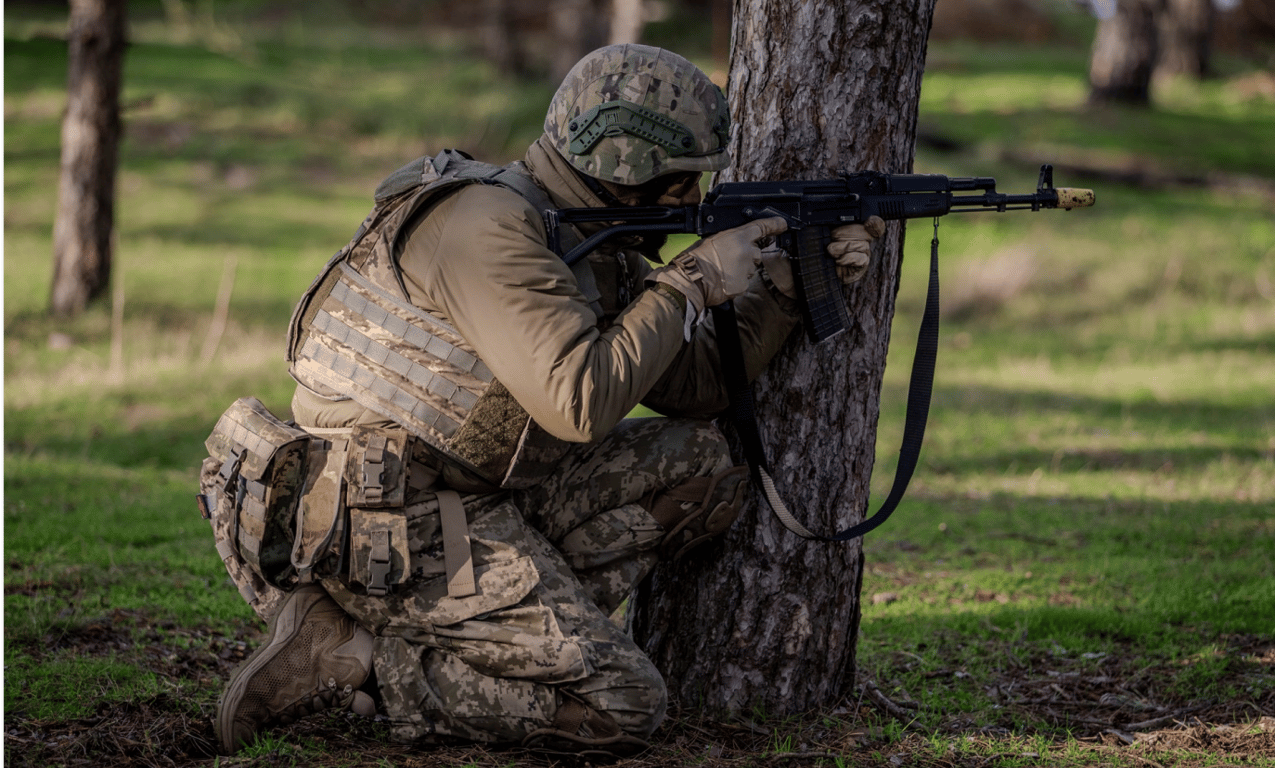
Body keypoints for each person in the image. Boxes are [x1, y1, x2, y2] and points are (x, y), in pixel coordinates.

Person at [203, 43, 884, 759]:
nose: (695, 203)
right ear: (629, 168)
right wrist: (687, 285)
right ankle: (362, 659)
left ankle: (477, 637)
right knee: (623, 706)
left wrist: (784, 288)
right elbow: (579, 404)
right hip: (382, 527)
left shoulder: (587, 238)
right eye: (684, 182)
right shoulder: (488, 227)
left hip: (467, 500)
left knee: (701, 466)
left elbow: (696, 389)